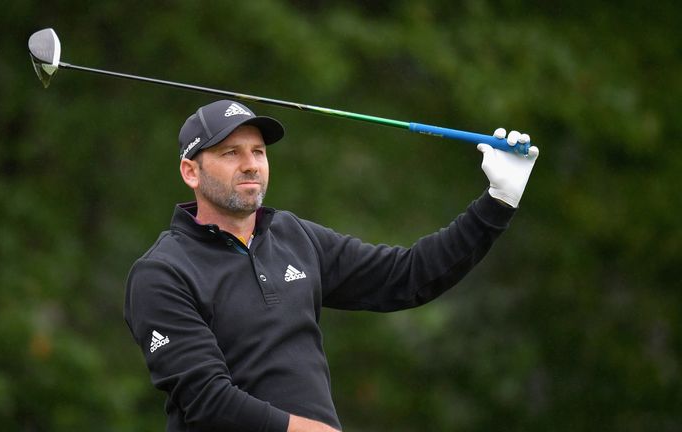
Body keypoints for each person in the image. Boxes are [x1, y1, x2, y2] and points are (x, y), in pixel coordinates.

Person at [124, 99, 539, 432]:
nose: (250, 163)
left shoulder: (294, 237)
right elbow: (206, 399)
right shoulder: (162, 273)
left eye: (258, 151)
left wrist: (497, 202)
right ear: (190, 171)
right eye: (230, 152)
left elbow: (408, 276)